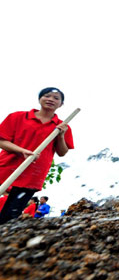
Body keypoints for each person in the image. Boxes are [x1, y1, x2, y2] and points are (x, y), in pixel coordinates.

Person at [0, 88, 74, 224]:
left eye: (56, 98)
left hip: (32, 177)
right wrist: (21, 150)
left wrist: (61, 135)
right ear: (40, 99)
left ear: (61, 104)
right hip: (5, 169)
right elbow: (2, 140)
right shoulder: (17, 117)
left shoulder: (62, 126)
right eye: (47, 96)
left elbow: (62, 152)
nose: (51, 99)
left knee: (8, 218)